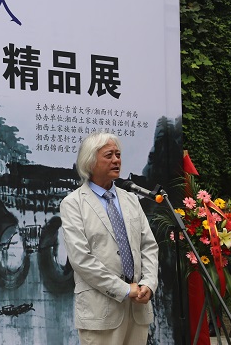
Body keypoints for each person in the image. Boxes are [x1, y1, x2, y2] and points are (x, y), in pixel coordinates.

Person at [60, 131, 159, 344]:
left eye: (118, 155)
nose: (116, 160)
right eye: (109, 155)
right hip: (100, 313)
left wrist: (149, 284)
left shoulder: (131, 200)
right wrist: (123, 289)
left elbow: (148, 246)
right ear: (90, 161)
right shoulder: (73, 203)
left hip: (138, 310)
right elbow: (81, 259)